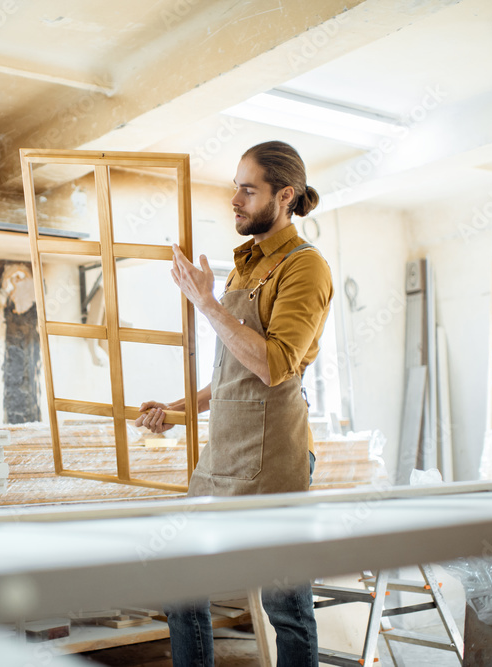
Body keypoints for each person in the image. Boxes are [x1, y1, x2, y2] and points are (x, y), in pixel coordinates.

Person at [134, 140, 334, 667]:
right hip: (224, 458)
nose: (235, 200)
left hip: (274, 460)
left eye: (249, 190)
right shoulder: (244, 266)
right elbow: (233, 375)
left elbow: (273, 365)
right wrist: (174, 410)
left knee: (285, 605)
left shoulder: (305, 267)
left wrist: (205, 302)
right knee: (181, 582)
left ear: (284, 196)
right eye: (235, 188)